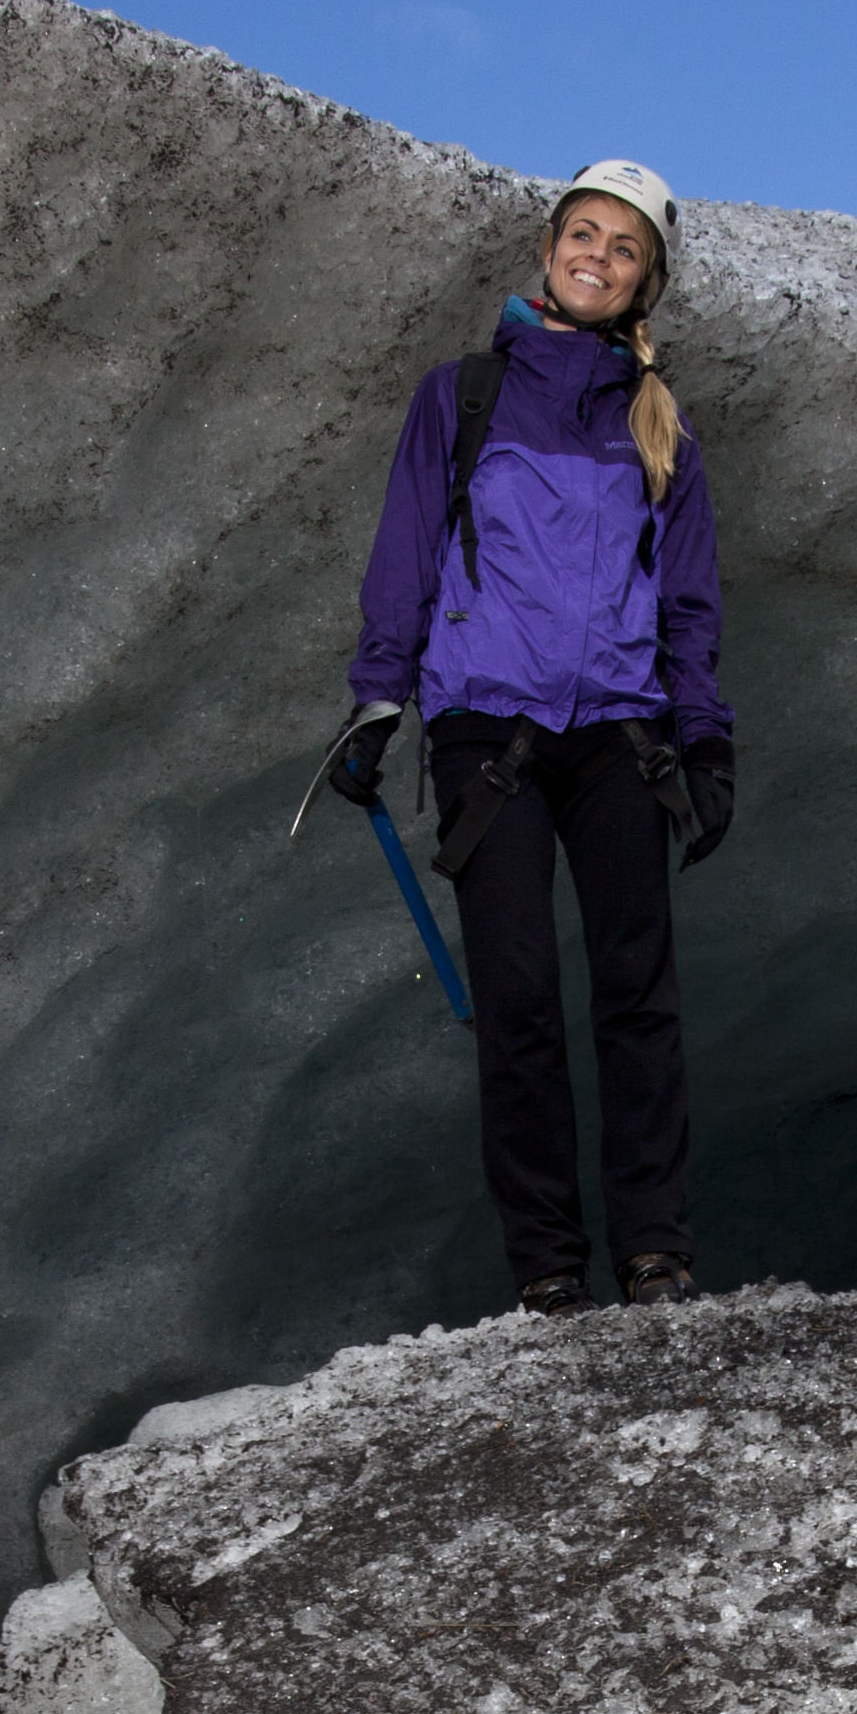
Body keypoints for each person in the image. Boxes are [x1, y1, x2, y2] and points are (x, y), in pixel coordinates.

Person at [331, 165, 736, 1313]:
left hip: (620, 733)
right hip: (487, 731)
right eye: (582, 235)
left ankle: (655, 1252)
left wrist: (705, 741)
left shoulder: (662, 427)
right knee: (516, 1006)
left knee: (638, 998)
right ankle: (549, 1270)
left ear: (645, 281)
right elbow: (408, 551)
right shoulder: (460, 397)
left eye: (623, 249)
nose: (595, 257)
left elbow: (690, 602)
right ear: (549, 246)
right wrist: (378, 699)